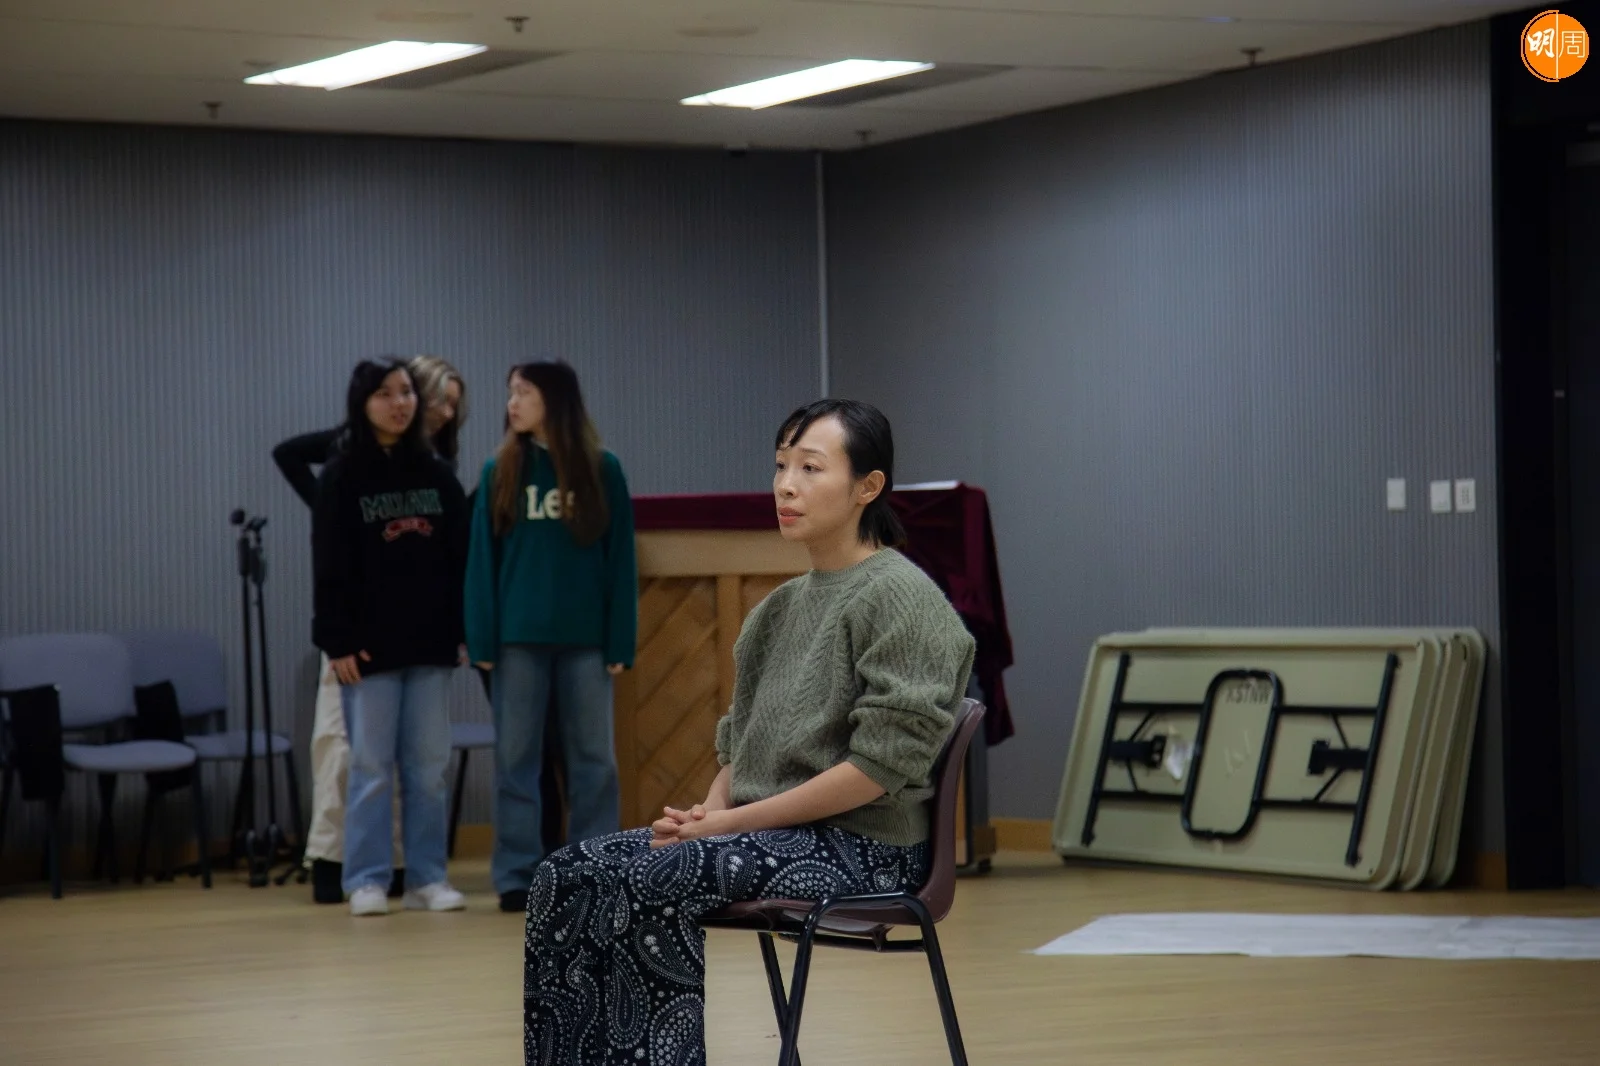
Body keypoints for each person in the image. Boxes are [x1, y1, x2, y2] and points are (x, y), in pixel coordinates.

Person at [520, 399, 976, 1065]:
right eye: (781, 466)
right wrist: (710, 814)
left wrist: (729, 826)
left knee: (656, 874)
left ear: (868, 487)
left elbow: (876, 771)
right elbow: (741, 744)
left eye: (811, 468)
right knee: (566, 872)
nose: (786, 486)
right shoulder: (778, 609)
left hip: (867, 849)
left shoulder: (904, 599)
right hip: (770, 835)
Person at [273, 354, 468, 904]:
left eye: (406, 392)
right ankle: (365, 879)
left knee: (427, 769)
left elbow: (460, 557)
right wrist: (335, 639)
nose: (399, 403)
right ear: (362, 403)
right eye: (384, 393)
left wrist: (462, 629)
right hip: (366, 648)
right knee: (369, 767)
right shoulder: (341, 475)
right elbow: (328, 563)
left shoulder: (437, 473)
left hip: (430, 643)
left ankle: (427, 877)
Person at [463, 360, 638, 914]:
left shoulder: (602, 468)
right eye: (510, 392)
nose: (512, 403)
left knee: (594, 761)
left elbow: (620, 558)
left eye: (524, 392)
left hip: (586, 641)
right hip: (517, 642)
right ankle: (516, 874)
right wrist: (481, 640)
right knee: (516, 760)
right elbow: (481, 562)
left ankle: (595, 869)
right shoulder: (500, 470)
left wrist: (620, 640)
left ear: (555, 400)